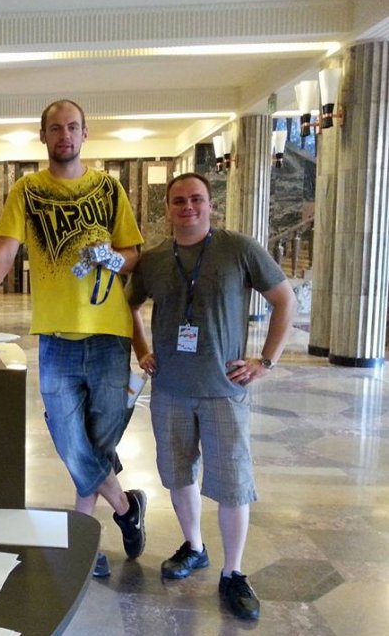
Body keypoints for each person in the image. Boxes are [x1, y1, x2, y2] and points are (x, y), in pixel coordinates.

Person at [0, 99, 147, 577]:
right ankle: (125, 507)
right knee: (70, 440)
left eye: (72, 127)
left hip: (109, 334)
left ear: (85, 133)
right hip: (55, 337)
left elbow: (133, 254)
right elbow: (4, 252)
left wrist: (109, 258)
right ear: (43, 136)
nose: (64, 135)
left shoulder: (108, 188)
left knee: (96, 442)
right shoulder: (27, 191)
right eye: (55, 128)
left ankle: (84, 540)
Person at [127, 172, 295, 620]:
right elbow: (129, 306)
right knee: (178, 474)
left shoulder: (238, 249)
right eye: (179, 201)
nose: (188, 207)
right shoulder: (154, 259)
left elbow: (284, 300)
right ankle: (194, 547)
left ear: (210, 205)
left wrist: (266, 360)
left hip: (224, 389)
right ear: (168, 208)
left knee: (232, 483)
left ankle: (233, 572)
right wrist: (142, 349)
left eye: (196, 199)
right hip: (170, 390)